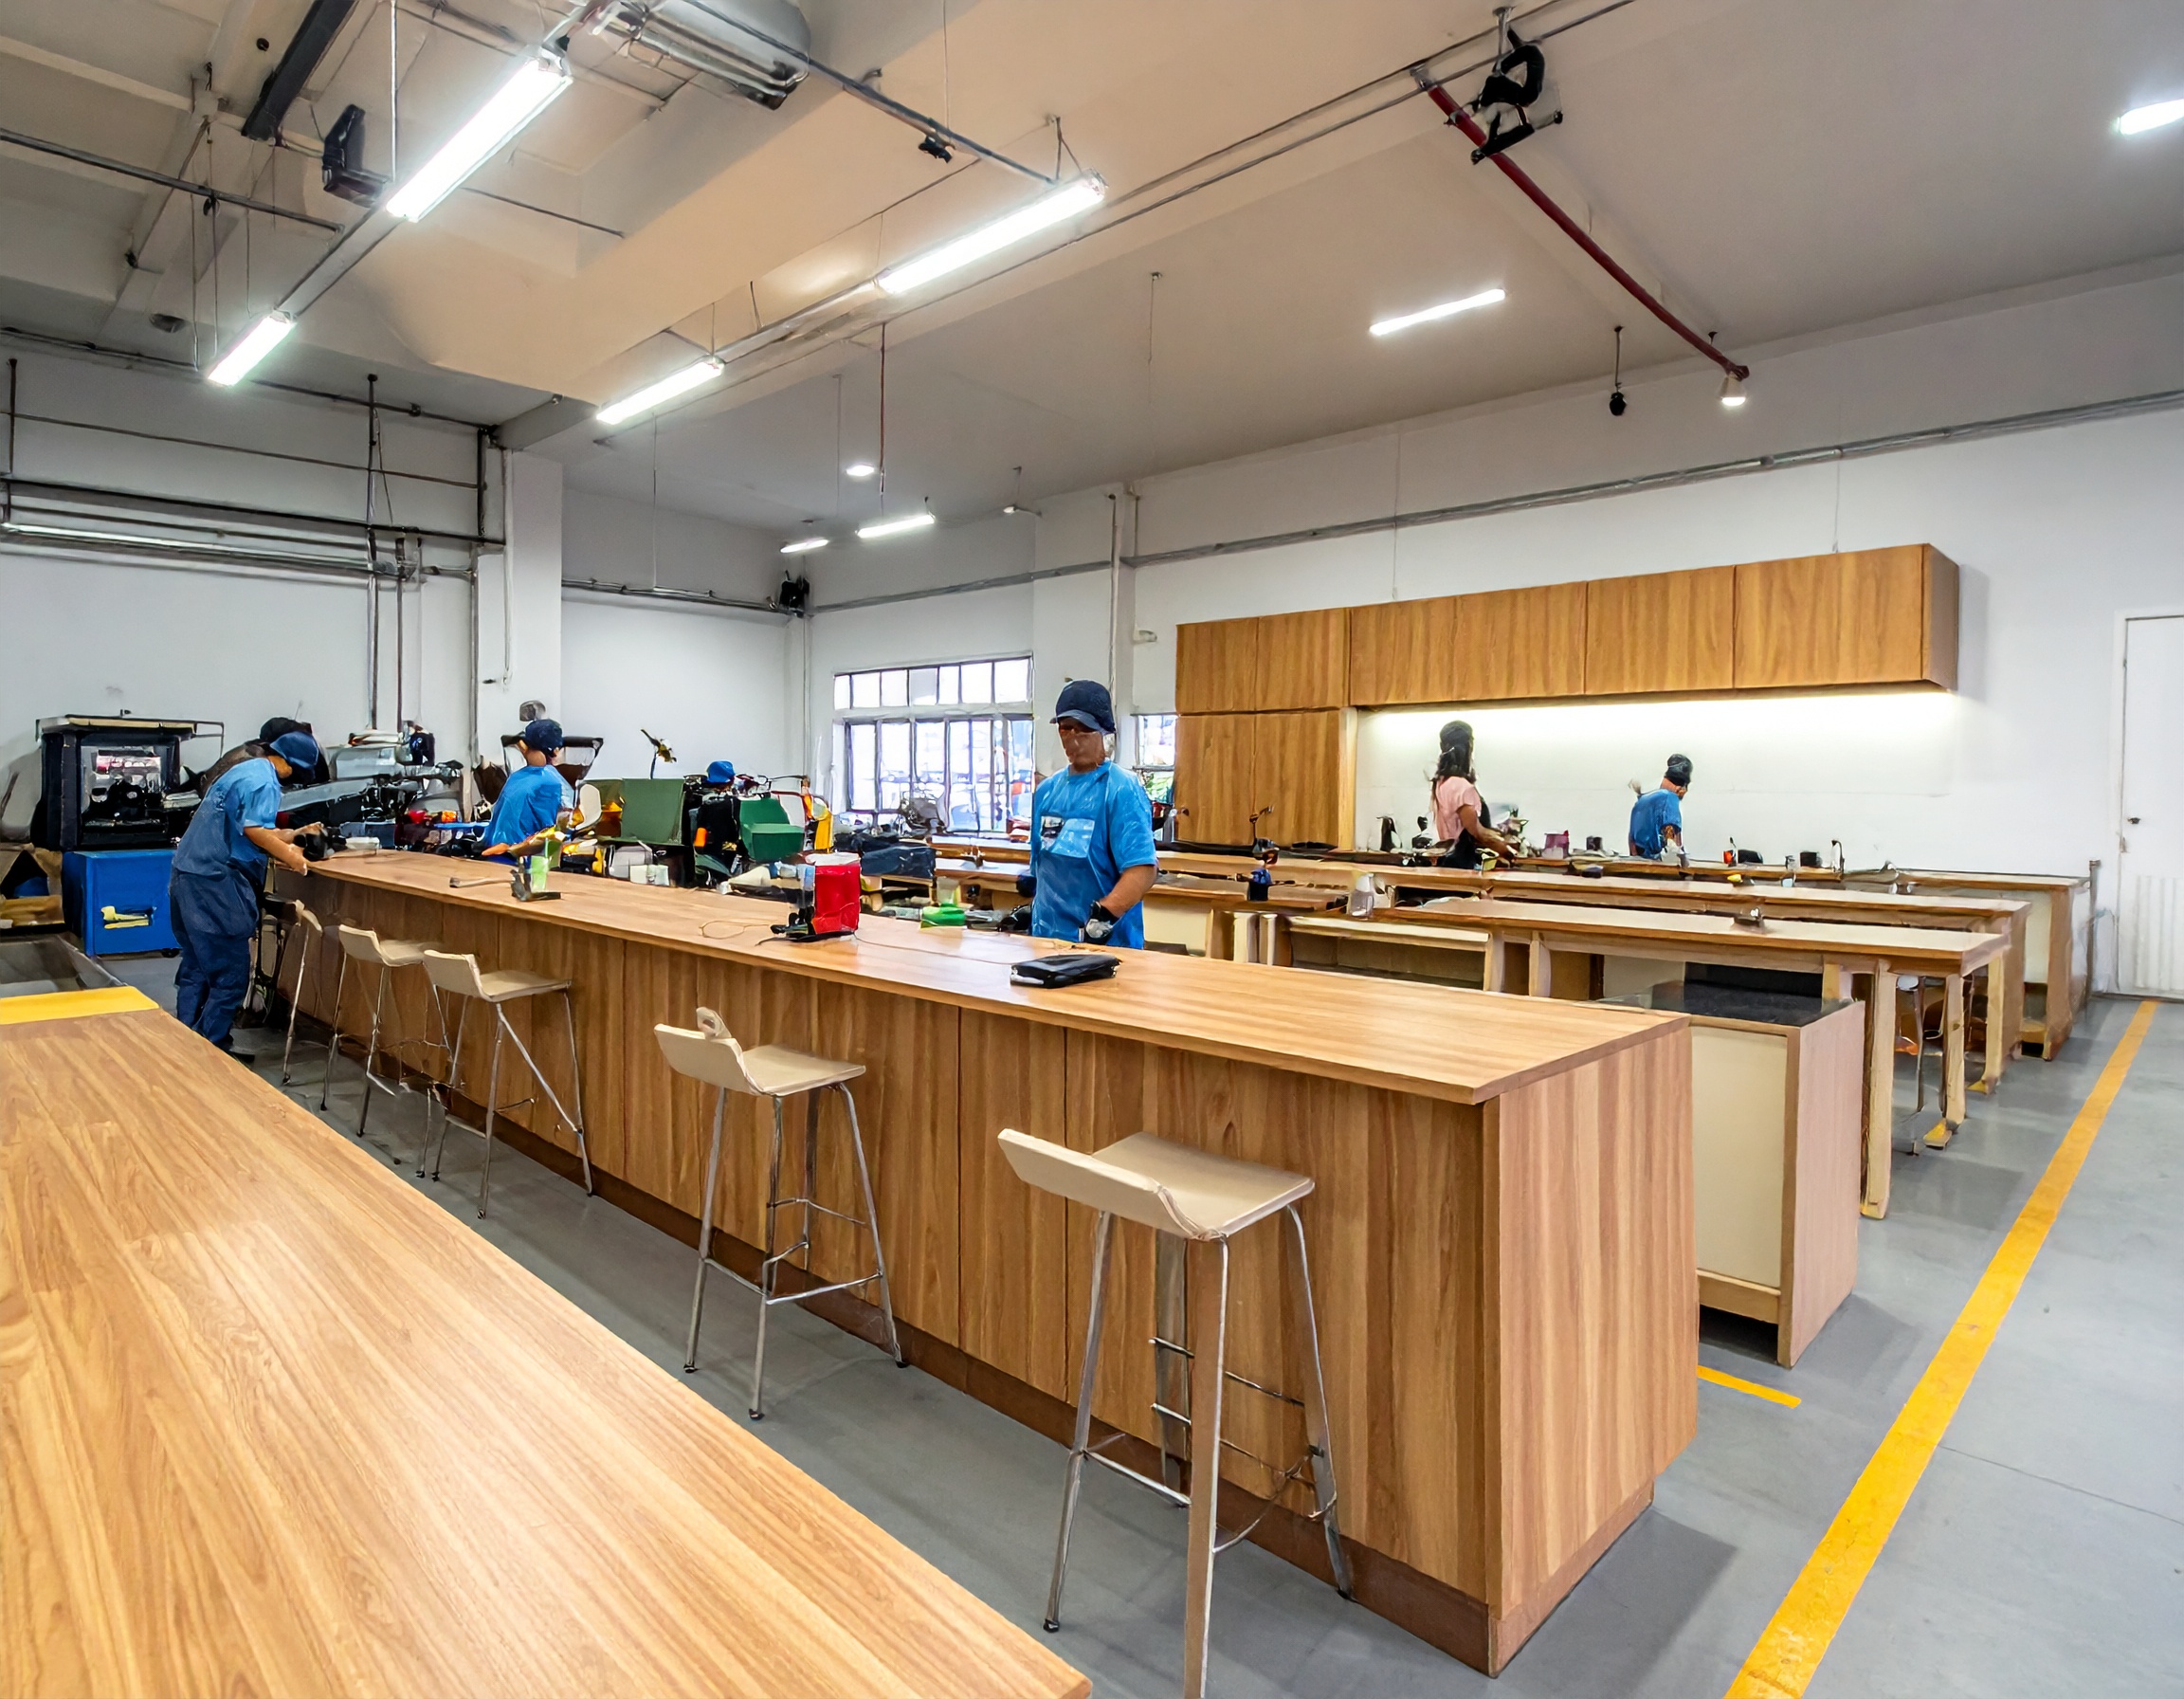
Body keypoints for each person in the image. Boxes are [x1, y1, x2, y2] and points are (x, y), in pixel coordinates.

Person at [168, 731, 323, 1050]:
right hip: (215, 882)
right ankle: (212, 1051)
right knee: (230, 976)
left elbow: (250, 826)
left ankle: (186, 1046)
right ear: (293, 767)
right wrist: (294, 858)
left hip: (187, 875)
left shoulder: (246, 770)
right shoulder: (265, 782)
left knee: (197, 965)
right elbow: (254, 831)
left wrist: (293, 834)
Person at [1023, 681, 1157, 947]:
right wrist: (1033, 904)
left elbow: (1142, 870)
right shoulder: (1047, 791)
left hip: (1104, 945)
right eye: (1065, 728)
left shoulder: (1120, 789)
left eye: (1083, 728)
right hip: (1046, 939)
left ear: (1102, 730)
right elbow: (1042, 862)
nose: (1073, 738)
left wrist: (1106, 914)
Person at [483, 718, 575, 859]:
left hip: (493, 851)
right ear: (554, 751)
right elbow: (551, 828)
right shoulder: (550, 781)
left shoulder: (516, 777)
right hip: (521, 856)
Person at [1430, 720, 1515, 868]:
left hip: (1447, 865)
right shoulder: (1461, 786)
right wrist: (1508, 851)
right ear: (1470, 746)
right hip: (1462, 866)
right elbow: (1479, 833)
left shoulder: (1442, 783)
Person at [1629, 755, 1693, 860]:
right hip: (1658, 862)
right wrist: (1680, 857)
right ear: (1681, 788)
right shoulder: (1670, 798)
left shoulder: (1641, 801)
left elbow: (1632, 842)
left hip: (1639, 862)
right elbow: (1673, 845)